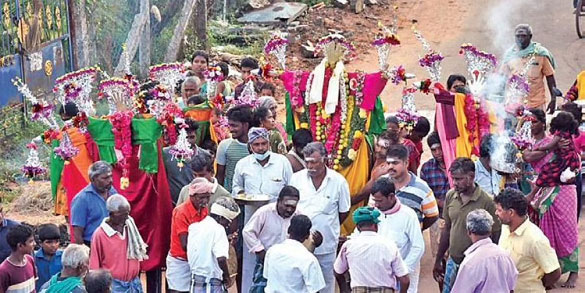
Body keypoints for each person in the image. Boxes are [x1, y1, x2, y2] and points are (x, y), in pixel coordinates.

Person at [522, 109, 580, 288]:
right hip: (541, 190)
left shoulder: (555, 139)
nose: (530, 125)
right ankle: (550, 271)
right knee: (544, 233)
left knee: (567, 230)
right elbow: (527, 156)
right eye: (527, 122)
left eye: (533, 121)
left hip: (562, 191)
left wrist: (551, 146)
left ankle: (573, 272)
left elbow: (574, 158)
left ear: (543, 123)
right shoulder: (526, 142)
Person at [232, 127, 293, 292]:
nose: (261, 148)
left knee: (278, 260)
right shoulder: (243, 165)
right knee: (251, 263)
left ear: (269, 143)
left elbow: (291, 189)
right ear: (250, 146)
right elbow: (236, 189)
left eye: (263, 143)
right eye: (256, 144)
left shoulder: (282, 162)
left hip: (279, 220)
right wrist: (242, 196)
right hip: (252, 219)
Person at [433, 158, 501, 293]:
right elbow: (447, 229)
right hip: (454, 261)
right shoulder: (451, 196)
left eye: (459, 179)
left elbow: (495, 235)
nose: (455, 183)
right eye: (453, 179)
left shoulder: (486, 201)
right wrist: (439, 259)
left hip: (476, 266)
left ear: (471, 176)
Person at [290, 142, 351, 293]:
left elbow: (344, 211)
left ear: (324, 160)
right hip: (300, 245)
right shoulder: (296, 179)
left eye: (314, 162)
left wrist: (328, 225)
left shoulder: (338, 182)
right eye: (307, 161)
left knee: (325, 285)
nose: (310, 166)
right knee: (300, 284)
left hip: (326, 246)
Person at [355, 177, 423, 293]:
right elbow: (359, 239)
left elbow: (418, 247)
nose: (376, 204)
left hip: (403, 278)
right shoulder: (372, 214)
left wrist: (402, 271)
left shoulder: (408, 215)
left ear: (391, 197)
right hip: (376, 277)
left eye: (379, 201)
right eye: (374, 200)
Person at [495, 188, 561, 293]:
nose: (496, 213)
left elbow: (554, 272)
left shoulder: (535, 239)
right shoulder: (505, 228)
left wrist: (535, 285)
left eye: (499, 210)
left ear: (511, 212)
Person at [335, 207, 410, 293]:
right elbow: (404, 280)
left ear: (358, 227)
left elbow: (338, 271)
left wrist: (344, 289)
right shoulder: (389, 245)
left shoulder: (349, 246)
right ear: (375, 226)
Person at [243, 186, 302, 292]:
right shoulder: (264, 212)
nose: (290, 209)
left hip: (288, 263)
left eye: (293, 207)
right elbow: (248, 232)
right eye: (286, 205)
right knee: (260, 289)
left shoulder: (298, 215)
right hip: (266, 260)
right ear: (279, 201)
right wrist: (259, 250)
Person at [90, 195, 147, 293]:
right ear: (112, 214)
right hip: (114, 286)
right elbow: (94, 265)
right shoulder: (100, 234)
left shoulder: (129, 225)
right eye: (122, 214)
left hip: (134, 282)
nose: (126, 217)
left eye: (127, 213)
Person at [451, 209, 517, 293]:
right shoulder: (504, 255)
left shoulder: (470, 263)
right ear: (490, 231)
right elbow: (511, 288)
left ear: (469, 232)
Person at [166, 178, 213, 293]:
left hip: (196, 260)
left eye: (207, 197)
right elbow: (185, 245)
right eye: (201, 197)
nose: (205, 201)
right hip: (180, 261)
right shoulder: (181, 212)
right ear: (192, 196)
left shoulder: (204, 210)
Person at [187, 197, 241, 292]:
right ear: (220, 218)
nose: (228, 225)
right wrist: (227, 277)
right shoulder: (219, 229)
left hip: (195, 279)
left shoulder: (194, 227)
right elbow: (221, 259)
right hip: (211, 281)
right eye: (227, 221)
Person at [503, 24, 559, 113]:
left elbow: (550, 77)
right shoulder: (509, 55)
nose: (520, 39)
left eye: (524, 36)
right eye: (518, 36)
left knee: (537, 127)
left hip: (537, 105)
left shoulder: (540, 54)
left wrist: (553, 99)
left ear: (530, 37)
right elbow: (503, 79)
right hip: (515, 105)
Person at [263, 215, 325, 293]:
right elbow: (315, 289)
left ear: (288, 230)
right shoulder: (309, 259)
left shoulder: (272, 251)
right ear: (307, 236)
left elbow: (266, 276)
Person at [384, 144, 439, 230]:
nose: (390, 167)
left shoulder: (422, 188)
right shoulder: (381, 183)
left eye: (395, 163)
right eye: (388, 163)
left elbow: (433, 216)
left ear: (406, 163)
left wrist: (416, 229)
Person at [71, 161, 117, 246]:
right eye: (105, 178)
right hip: (92, 244)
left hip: (112, 243)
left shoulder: (113, 193)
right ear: (92, 179)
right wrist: (85, 253)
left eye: (111, 176)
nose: (110, 180)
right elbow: (77, 233)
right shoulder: (81, 199)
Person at [420, 132, 451, 257]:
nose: (438, 153)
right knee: (440, 254)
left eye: (440, 148)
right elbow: (424, 194)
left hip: (456, 217)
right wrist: (440, 202)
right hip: (437, 218)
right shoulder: (427, 168)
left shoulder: (456, 163)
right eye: (434, 150)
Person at [163, 118, 205, 205]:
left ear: (196, 136)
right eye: (185, 138)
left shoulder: (205, 155)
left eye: (192, 137)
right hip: (174, 204)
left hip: (198, 205)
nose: (188, 141)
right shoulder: (166, 154)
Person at [216, 105, 253, 193]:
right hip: (231, 196)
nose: (231, 129)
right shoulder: (225, 145)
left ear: (245, 125)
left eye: (234, 126)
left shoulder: (258, 146)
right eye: (230, 126)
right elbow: (220, 176)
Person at [0, 224, 36, 293]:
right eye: (31, 241)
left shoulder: (30, 260)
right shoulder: (3, 271)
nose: (34, 244)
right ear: (20, 246)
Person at [34, 224, 63, 291]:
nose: (53, 245)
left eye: (56, 241)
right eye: (49, 242)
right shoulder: (34, 259)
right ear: (40, 243)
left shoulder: (63, 257)